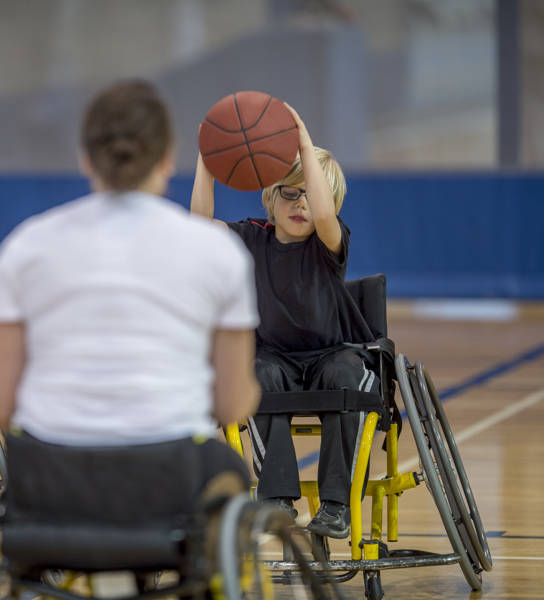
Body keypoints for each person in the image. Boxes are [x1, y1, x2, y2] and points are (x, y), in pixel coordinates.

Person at [0, 79, 261, 515]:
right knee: (230, 469)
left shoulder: (27, 245)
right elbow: (232, 404)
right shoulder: (216, 251)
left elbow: (4, 401)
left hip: (51, 477)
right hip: (170, 474)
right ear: (166, 158)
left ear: (86, 158)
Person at [191, 104, 379, 539]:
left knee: (350, 375)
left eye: (310, 196)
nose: (301, 206)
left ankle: (337, 505)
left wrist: (304, 143)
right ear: (270, 200)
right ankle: (275, 498)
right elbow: (197, 228)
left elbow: (325, 214)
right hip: (275, 360)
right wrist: (209, 159)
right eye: (289, 194)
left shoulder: (327, 242)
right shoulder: (251, 237)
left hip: (333, 356)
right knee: (253, 374)